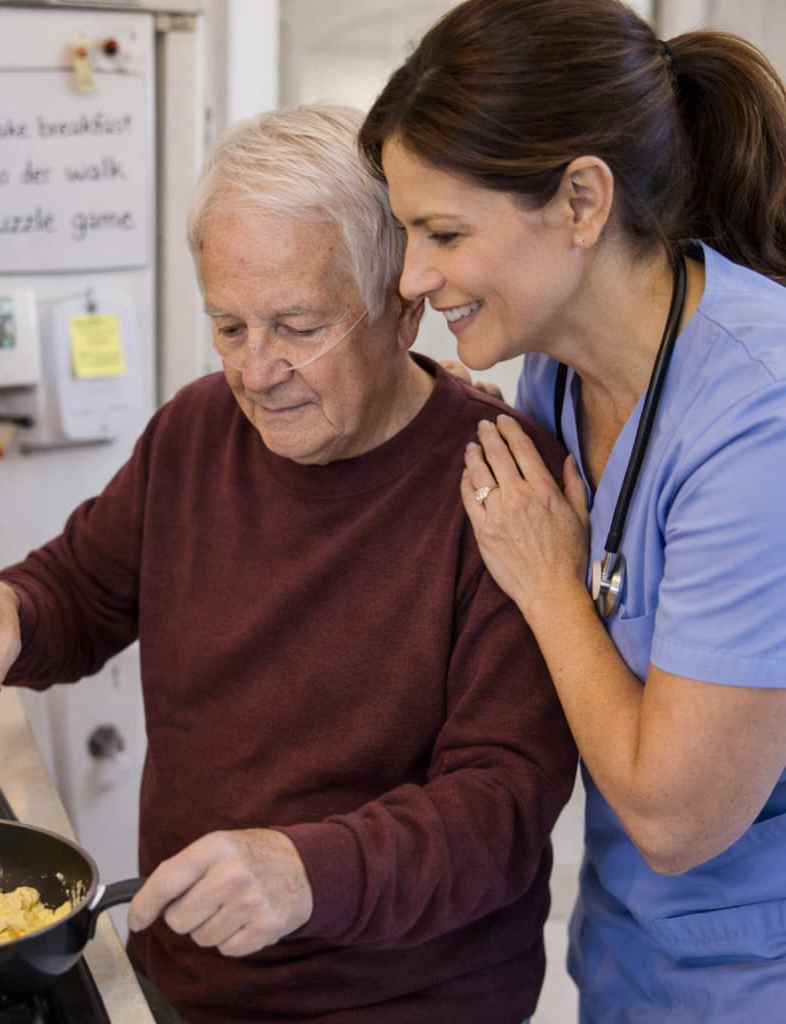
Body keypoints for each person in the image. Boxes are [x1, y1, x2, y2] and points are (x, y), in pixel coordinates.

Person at [0, 104, 577, 1024]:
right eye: (229, 327)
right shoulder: (195, 430)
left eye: (298, 326)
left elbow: (501, 807)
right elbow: (85, 587)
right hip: (187, 971)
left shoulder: (503, 483)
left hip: (400, 1000)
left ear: (402, 303)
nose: (257, 373)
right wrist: (4, 605)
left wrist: (307, 871)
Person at [358, 1, 786, 1020]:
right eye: (404, 232)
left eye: (444, 233)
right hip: (627, 956)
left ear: (581, 201)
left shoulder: (759, 412)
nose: (413, 278)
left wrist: (550, 584)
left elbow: (680, 816)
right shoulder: (552, 373)